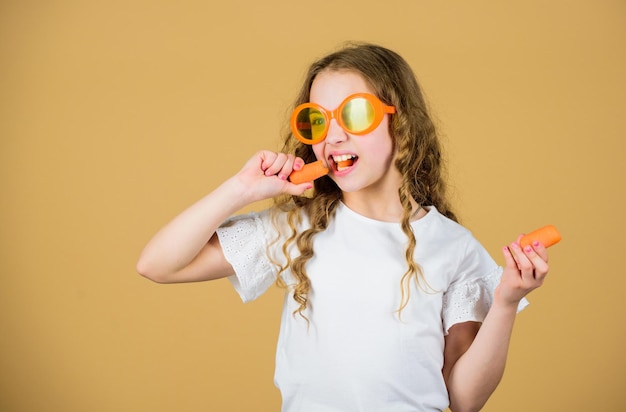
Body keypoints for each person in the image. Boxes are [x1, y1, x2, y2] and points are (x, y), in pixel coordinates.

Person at [136, 42, 550, 412]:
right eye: (316, 120)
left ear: (401, 127)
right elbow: (158, 265)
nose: (333, 135)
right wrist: (240, 189)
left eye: (355, 114)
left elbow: (464, 400)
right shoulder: (296, 227)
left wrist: (506, 302)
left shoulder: (453, 246)